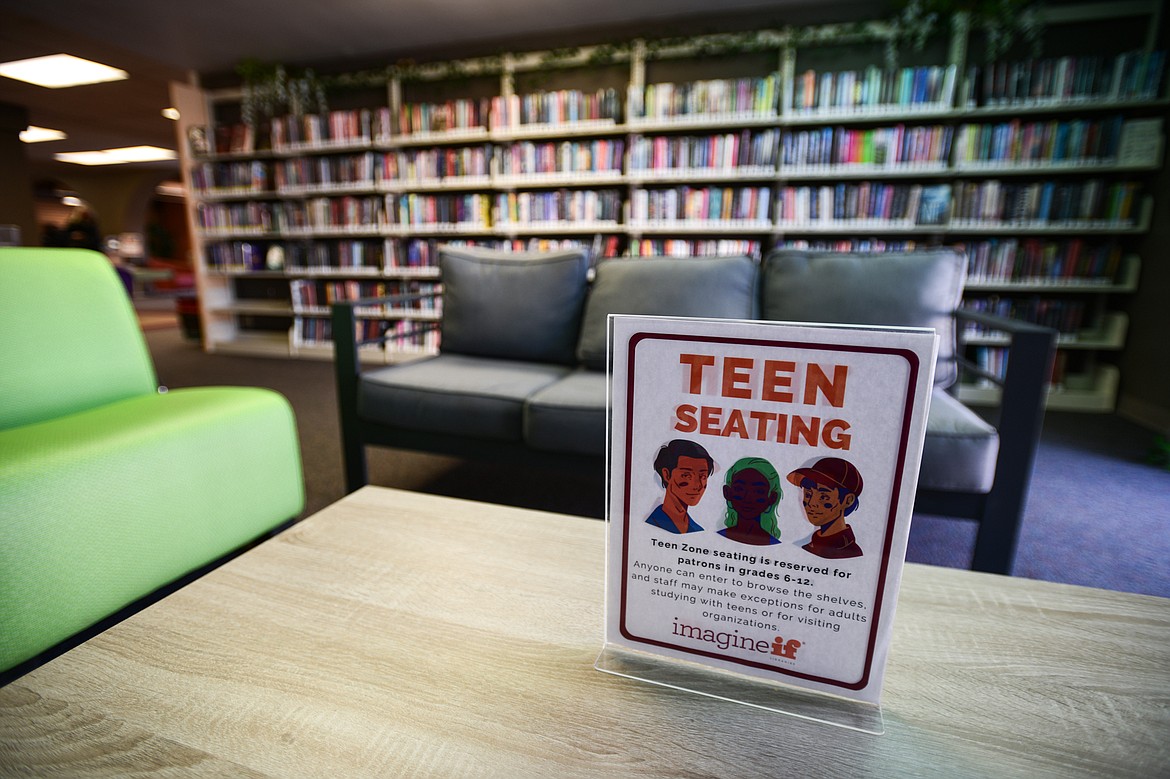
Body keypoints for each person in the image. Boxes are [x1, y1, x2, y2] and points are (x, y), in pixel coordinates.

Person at [786, 457, 864, 559]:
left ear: (848, 500)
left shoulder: (851, 553)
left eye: (823, 497)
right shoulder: (809, 546)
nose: (811, 503)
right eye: (808, 494)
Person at [645, 439, 713, 534]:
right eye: (686, 475)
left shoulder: (697, 530)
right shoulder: (651, 525)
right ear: (667, 475)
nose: (697, 485)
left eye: (703, 476)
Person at [718, 457, 782, 545]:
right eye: (740, 489)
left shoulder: (775, 546)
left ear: (772, 498)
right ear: (727, 492)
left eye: (759, 491)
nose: (748, 498)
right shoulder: (716, 538)